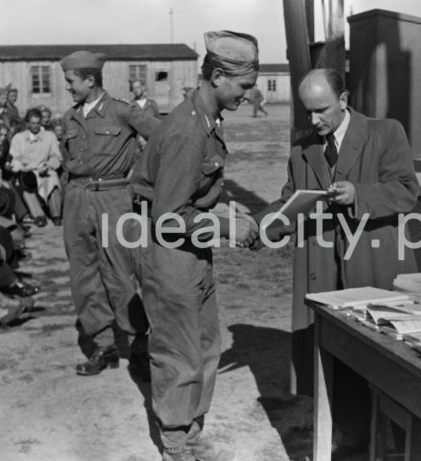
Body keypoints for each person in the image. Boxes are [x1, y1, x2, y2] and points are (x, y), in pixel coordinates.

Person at [255, 68, 419, 457]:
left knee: (386, 356)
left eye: (321, 110)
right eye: (307, 112)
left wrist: (358, 194)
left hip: (376, 266)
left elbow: (406, 191)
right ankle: (348, 436)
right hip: (323, 268)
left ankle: (393, 443)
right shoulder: (302, 149)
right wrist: (265, 224)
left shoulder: (385, 133)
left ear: (344, 100)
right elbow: (289, 198)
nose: (313, 121)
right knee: (334, 356)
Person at [130, 30, 259, 461]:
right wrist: (226, 228)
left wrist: (226, 213)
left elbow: (193, 194)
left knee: (205, 346)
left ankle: (191, 432)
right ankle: (174, 441)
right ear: (218, 75)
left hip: (190, 251)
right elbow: (170, 216)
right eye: (243, 86)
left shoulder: (205, 119)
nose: (247, 94)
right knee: (178, 352)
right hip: (171, 253)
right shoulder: (188, 131)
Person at [59, 50, 160, 376]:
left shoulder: (122, 111)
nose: (68, 88)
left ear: (90, 80)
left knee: (120, 273)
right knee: (83, 276)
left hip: (114, 199)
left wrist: (141, 181)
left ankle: (139, 346)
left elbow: (163, 140)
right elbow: (67, 161)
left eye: (71, 81)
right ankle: (104, 346)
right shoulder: (69, 118)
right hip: (77, 199)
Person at [9, 108, 63, 226]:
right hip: (27, 171)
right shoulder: (18, 138)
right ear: (27, 123)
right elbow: (14, 159)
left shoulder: (49, 136)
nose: (35, 126)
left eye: (38, 123)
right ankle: (38, 215)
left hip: (44, 168)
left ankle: (56, 214)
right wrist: (23, 168)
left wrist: (48, 166)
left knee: (52, 179)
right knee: (26, 182)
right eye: (32, 123)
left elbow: (56, 157)